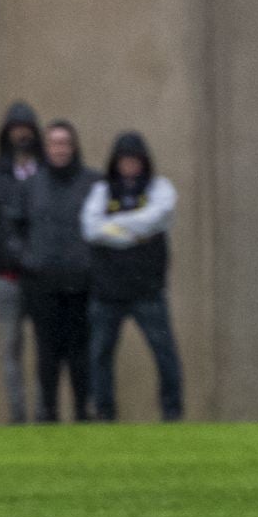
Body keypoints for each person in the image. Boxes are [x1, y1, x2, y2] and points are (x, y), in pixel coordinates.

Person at [84, 132, 185, 422]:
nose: (129, 166)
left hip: (148, 290)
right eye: (124, 160)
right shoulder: (101, 191)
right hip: (108, 291)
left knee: (164, 353)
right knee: (100, 355)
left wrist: (113, 227)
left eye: (134, 160)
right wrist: (133, 232)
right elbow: (91, 229)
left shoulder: (160, 188)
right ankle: (104, 411)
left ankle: (172, 411)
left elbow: (157, 217)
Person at [21, 121, 99, 422]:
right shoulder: (31, 186)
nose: (60, 148)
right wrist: (28, 258)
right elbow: (14, 227)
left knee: (81, 351)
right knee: (47, 352)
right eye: (54, 143)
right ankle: (49, 411)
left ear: (74, 146)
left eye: (65, 142)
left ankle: (83, 410)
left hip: (82, 282)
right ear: (46, 147)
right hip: (42, 283)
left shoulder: (94, 183)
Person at [0, 101, 43, 424]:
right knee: (11, 349)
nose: (22, 134)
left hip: (43, 276)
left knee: (45, 348)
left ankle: (45, 414)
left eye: (26, 128)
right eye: (16, 128)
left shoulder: (46, 174)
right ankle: (17, 416)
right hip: (7, 276)